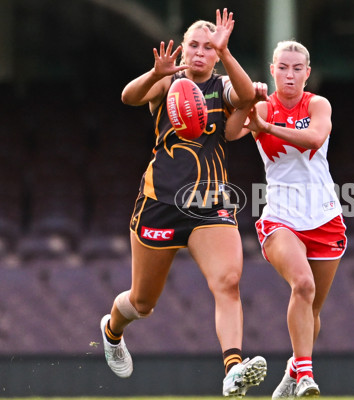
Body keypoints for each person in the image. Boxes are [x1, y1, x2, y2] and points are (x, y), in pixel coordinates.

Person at [99, 9, 267, 397]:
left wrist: (227, 55)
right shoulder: (169, 82)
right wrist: (157, 72)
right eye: (194, 44)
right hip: (160, 203)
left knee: (228, 281)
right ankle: (111, 331)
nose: (200, 52)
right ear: (184, 47)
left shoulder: (222, 86)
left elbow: (243, 96)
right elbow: (128, 97)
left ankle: (233, 368)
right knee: (142, 302)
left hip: (210, 204)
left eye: (209, 47)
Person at [225, 40, 347, 398]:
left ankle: (293, 372)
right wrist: (247, 102)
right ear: (272, 69)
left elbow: (314, 138)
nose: (289, 75)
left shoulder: (318, 104)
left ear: (307, 74)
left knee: (313, 309)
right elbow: (232, 133)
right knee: (303, 286)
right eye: (282, 67)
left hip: (325, 217)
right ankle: (307, 377)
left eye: (297, 68)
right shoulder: (261, 105)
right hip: (281, 217)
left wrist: (267, 126)